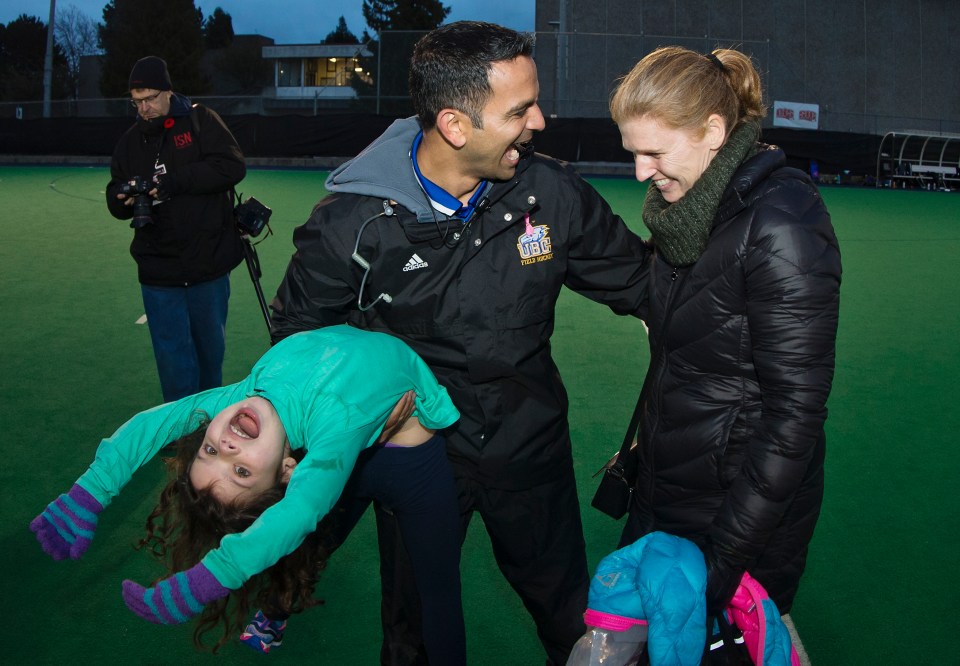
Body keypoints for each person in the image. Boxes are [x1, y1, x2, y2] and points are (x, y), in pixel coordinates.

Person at [268, 21, 650, 665]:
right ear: (454, 124)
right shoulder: (351, 226)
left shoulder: (549, 191)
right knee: (415, 630)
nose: (540, 122)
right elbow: (298, 339)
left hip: (528, 446)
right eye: (521, 109)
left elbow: (642, 281)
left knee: (569, 617)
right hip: (417, 459)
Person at [30, 325, 466, 663]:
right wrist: (205, 581)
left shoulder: (247, 392)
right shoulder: (335, 422)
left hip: (405, 456)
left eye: (210, 450)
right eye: (240, 471)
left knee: (433, 587)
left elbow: (154, 422)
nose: (228, 446)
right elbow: (300, 510)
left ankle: (274, 610)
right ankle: (273, 612)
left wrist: (87, 494)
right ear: (287, 470)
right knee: (313, 543)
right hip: (402, 465)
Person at [608, 46, 841, 620]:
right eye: (632, 153)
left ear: (713, 131)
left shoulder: (781, 221)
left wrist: (723, 563)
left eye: (653, 153)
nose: (641, 173)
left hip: (735, 519)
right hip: (668, 488)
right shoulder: (687, 212)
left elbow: (795, 417)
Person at [106, 55, 246, 403]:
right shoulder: (129, 141)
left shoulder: (201, 121)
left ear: (168, 91)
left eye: (150, 98)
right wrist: (121, 197)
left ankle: (210, 426)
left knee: (209, 357)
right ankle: (181, 436)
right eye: (137, 102)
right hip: (158, 268)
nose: (144, 108)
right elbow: (114, 192)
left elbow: (232, 166)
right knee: (172, 362)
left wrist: (174, 182)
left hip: (207, 263)